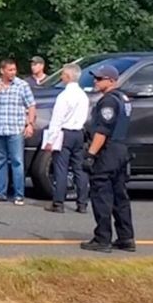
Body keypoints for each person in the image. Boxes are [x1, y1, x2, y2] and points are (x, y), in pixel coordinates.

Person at [81, 65, 136, 253]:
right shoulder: (123, 98)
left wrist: (90, 155)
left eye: (100, 79)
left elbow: (103, 131)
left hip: (108, 151)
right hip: (121, 149)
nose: (96, 81)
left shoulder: (108, 102)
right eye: (95, 78)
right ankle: (126, 237)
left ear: (111, 80)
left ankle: (102, 238)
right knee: (120, 196)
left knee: (101, 194)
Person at [0, 59, 37, 205]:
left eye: (14, 70)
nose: (13, 72)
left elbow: (31, 105)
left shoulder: (22, 85)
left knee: (17, 161)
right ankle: (0, 193)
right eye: (10, 70)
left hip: (15, 128)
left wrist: (30, 124)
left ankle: (19, 195)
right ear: (2, 71)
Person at [43, 63, 90, 214]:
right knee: (79, 168)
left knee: (61, 168)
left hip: (65, 133)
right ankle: (82, 203)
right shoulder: (83, 95)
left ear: (68, 77)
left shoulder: (64, 96)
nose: (61, 77)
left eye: (63, 74)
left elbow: (57, 119)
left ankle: (58, 202)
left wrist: (51, 139)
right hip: (79, 133)